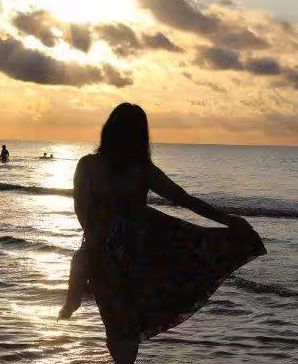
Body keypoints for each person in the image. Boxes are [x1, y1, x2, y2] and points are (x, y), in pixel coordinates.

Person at [58, 103, 266, 364]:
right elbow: (184, 199)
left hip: (104, 252)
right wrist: (228, 221)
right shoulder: (141, 169)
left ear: (108, 130)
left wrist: (102, 238)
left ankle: (73, 300)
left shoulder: (88, 165)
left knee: (113, 319)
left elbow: (81, 211)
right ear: (140, 135)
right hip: (140, 252)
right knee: (127, 322)